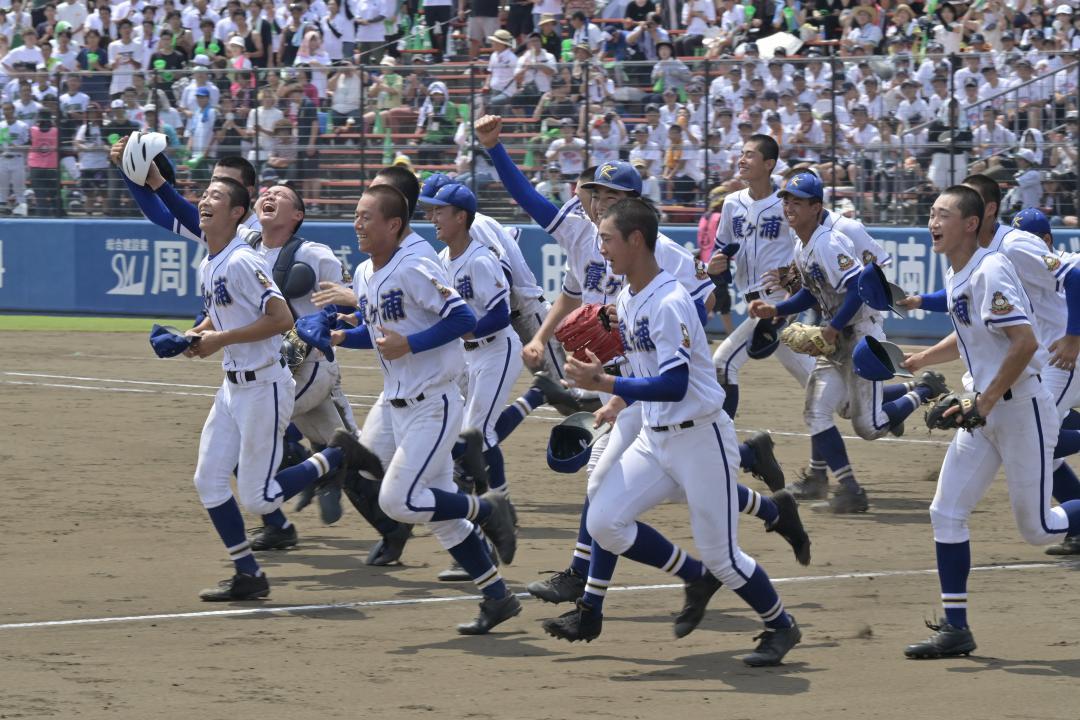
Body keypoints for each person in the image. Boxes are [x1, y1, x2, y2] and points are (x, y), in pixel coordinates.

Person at [475, 115, 804, 607]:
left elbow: (703, 299)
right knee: (667, 487)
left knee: (604, 482)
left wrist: (635, 325)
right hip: (619, 384)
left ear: (634, 205)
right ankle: (764, 497)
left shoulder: (662, 251)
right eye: (596, 194)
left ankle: (586, 586)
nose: (600, 203)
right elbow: (533, 202)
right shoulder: (583, 237)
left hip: (646, 381)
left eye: (612, 197)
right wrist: (496, 148)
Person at [547, 198, 803, 667]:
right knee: (604, 521)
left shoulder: (670, 300)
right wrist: (617, 399)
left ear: (636, 240)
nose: (600, 248)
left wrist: (605, 383)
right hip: (654, 436)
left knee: (723, 557)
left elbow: (675, 382)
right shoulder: (627, 296)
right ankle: (694, 575)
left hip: (700, 439)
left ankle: (781, 625)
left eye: (606, 238)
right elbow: (641, 365)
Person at [153, 173, 357, 601]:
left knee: (259, 498)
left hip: (265, 384)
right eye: (203, 195)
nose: (204, 202)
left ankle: (336, 456)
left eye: (215, 198)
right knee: (208, 481)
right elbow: (220, 319)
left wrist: (217, 341)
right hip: (232, 388)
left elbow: (282, 319)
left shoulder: (244, 261)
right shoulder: (211, 262)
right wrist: (191, 338)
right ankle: (249, 573)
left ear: (236, 214)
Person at [328, 184, 521, 634]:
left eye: (366, 217)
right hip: (400, 405)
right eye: (356, 215)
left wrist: (410, 343)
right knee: (443, 522)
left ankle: (488, 508)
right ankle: (498, 598)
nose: (357, 224)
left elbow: (463, 319)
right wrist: (341, 337)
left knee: (398, 500)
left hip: (433, 404)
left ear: (393, 225)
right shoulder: (364, 274)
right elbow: (381, 338)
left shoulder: (414, 265)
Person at [899, 185, 1080, 658]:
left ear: (971, 223)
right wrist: (920, 359)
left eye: (943, 214)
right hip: (984, 411)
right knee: (945, 512)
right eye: (932, 213)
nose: (933, 221)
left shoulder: (992, 268)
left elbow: (1023, 344)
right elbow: (968, 340)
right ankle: (956, 628)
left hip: (1021, 411)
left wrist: (985, 403)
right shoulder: (960, 274)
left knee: (1038, 528)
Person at [748, 172, 949, 512]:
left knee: (867, 426)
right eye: (786, 200)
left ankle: (923, 391)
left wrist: (834, 325)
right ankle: (850, 490)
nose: (789, 207)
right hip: (836, 338)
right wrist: (777, 308)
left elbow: (862, 287)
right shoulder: (802, 244)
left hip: (861, 336)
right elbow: (811, 293)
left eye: (797, 201)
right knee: (820, 411)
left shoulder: (829, 242)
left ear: (816, 207)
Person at [0, 100, 29, 212]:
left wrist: (16, 147)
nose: (6, 111)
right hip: (3, 158)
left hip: (17, 158)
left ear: (13, 110)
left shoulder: (22, 125)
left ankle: (21, 212)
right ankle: (2, 211)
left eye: (9, 109)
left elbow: (28, 144)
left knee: (19, 189)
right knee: (2, 188)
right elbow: (1, 143)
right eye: (4, 109)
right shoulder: (1, 125)